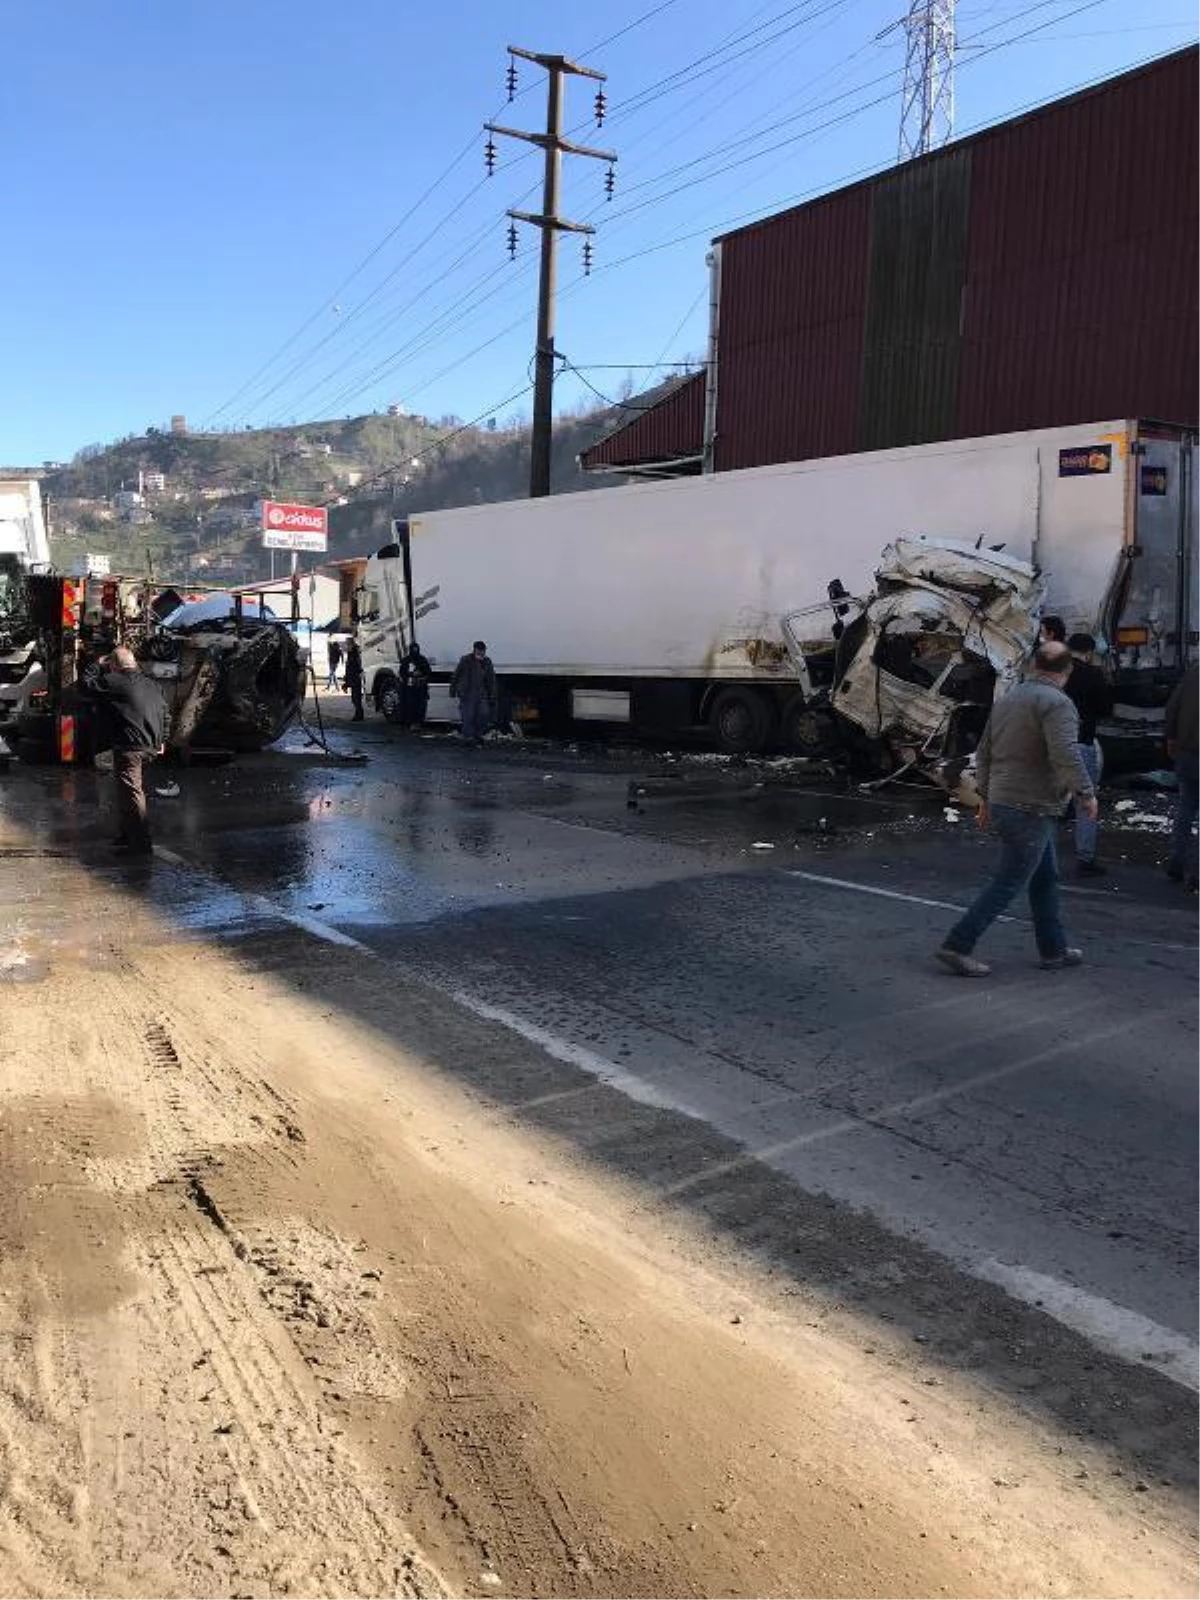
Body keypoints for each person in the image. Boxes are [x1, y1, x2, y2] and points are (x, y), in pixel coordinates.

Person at [935, 641, 1097, 977]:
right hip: (1032, 805)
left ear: (1036, 665)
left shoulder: (1010, 698)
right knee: (1009, 881)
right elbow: (1065, 752)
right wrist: (1086, 792)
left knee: (1045, 877)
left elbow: (985, 752)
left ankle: (1053, 950)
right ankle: (958, 944)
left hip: (1008, 801)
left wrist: (985, 798)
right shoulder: (1058, 704)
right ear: (1067, 672)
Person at [81, 645, 169, 858]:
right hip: (150, 745)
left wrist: (96, 665)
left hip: (130, 746)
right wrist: (162, 740)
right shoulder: (153, 685)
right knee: (127, 791)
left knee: (132, 793)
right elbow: (166, 714)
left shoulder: (114, 682)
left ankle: (140, 844)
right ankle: (127, 835)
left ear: (113, 665)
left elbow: (86, 685)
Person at [1064, 632, 1113, 876]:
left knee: (1048, 802)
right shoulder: (1093, 675)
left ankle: (1039, 855)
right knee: (1085, 803)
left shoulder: (1056, 673)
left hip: (1053, 745)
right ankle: (1085, 858)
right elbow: (1106, 708)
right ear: (1089, 652)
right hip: (1081, 744)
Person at [1164, 659, 1200, 891]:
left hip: (1188, 753)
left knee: (1185, 808)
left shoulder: (1192, 674)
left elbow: (1172, 707)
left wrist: (1171, 738)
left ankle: (1177, 862)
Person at [450, 640, 497, 746]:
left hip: (481, 693)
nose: (481, 653)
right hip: (467, 693)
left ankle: (478, 734)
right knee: (468, 716)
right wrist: (453, 690)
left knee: (484, 713)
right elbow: (456, 675)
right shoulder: (466, 660)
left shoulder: (487, 662)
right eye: (479, 651)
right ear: (474, 650)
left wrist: (492, 694)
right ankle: (469, 737)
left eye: (483, 651)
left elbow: (491, 679)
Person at [399, 641, 432, 728]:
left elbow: (428, 672)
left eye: (416, 649)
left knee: (420, 706)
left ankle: (418, 722)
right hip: (409, 688)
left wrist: (421, 676)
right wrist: (411, 675)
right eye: (413, 649)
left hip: (420, 687)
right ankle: (409, 722)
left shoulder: (422, 660)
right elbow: (402, 673)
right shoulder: (406, 660)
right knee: (409, 705)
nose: (415, 651)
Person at [344, 639, 365, 721]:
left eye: (347, 644)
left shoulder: (354, 653)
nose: (346, 646)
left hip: (355, 677)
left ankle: (359, 714)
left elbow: (355, 665)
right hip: (353, 676)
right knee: (355, 698)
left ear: (351, 644)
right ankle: (358, 714)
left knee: (356, 697)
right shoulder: (352, 653)